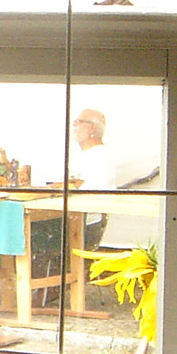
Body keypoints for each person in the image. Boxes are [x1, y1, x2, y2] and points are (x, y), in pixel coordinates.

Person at [68, 107, 117, 249]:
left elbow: (91, 195)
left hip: (87, 226)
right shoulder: (87, 155)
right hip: (78, 222)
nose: (74, 125)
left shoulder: (100, 157)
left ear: (92, 128)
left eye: (78, 122)